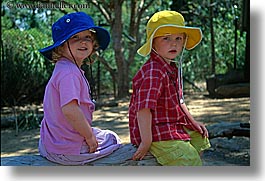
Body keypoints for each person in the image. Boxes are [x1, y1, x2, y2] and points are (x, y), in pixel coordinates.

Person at [38, 12, 122, 165]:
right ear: (61, 47)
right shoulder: (69, 73)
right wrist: (89, 137)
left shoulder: (63, 68)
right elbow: (70, 110)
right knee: (114, 139)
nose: (82, 42)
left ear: (93, 44)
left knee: (103, 134)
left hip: (51, 141)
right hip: (66, 150)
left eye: (87, 37)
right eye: (75, 37)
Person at [129, 10, 211, 166]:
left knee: (200, 138)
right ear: (153, 42)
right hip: (155, 130)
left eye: (178, 38)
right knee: (189, 157)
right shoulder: (154, 71)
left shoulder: (171, 68)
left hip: (172, 125)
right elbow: (143, 109)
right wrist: (146, 142)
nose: (174, 43)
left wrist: (193, 122)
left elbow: (180, 101)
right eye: (166, 38)